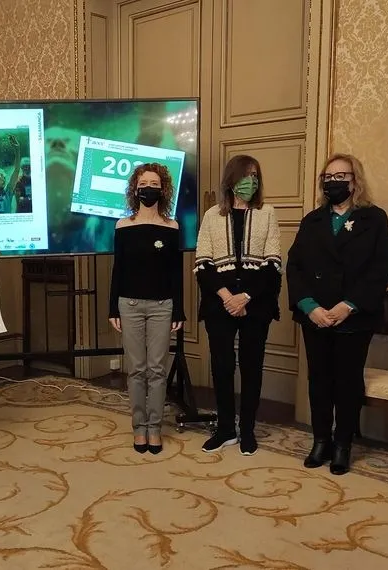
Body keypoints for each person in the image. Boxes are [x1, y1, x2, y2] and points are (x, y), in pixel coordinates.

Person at [286, 153, 388, 475]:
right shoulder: (312, 220)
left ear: (355, 180)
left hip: (354, 316)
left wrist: (348, 305)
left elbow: (381, 267)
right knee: (318, 380)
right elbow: (295, 268)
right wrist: (310, 307)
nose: (334, 182)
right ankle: (320, 440)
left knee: (347, 382)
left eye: (341, 176)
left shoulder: (374, 218)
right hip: (316, 316)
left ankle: (343, 444)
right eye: (328, 177)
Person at [194, 155, 282, 456]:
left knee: (251, 366)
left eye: (256, 175)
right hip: (220, 303)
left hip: (256, 304)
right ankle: (225, 429)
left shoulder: (268, 213)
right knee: (221, 366)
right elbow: (202, 264)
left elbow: (273, 264)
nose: (251, 181)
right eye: (246, 175)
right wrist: (227, 296)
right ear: (231, 179)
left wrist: (245, 297)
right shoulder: (211, 216)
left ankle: (247, 430)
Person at [108, 163, 185, 454]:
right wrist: (112, 308)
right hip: (128, 305)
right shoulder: (123, 226)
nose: (148, 188)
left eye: (154, 183)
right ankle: (138, 428)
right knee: (136, 370)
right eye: (143, 184)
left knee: (157, 370)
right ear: (135, 189)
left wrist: (179, 310)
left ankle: (155, 428)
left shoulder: (172, 227)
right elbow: (118, 270)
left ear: (162, 189)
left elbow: (176, 273)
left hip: (163, 306)